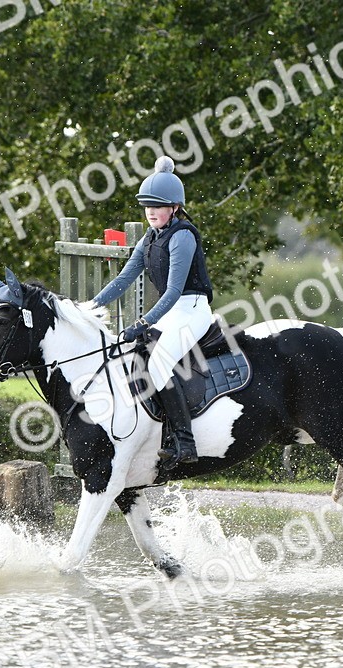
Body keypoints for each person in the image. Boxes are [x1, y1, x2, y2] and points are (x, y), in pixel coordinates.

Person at [89, 155, 213, 467]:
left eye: (157, 206)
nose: (151, 212)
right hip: (173, 311)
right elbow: (123, 279)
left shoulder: (183, 235)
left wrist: (143, 322)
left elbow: (173, 291)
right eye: (147, 206)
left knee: (157, 363)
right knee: (131, 358)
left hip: (192, 309)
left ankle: (185, 441)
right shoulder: (150, 237)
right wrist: (88, 307)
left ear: (174, 207)